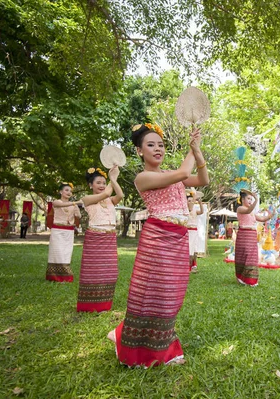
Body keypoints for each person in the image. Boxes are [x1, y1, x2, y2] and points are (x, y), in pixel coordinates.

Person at [108, 122, 209, 367]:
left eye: (161, 145)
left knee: (172, 295)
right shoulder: (143, 178)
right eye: (150, 145)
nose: (158, 149)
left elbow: (203, 179)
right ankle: (145, 349)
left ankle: (134, 337)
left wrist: (197, 151)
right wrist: (190, 147)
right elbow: (185, 174)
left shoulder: (170, 175)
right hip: (157, 240)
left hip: (178, 238)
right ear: (140, 151)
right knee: (155, 295)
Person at [76, 166, 123, 312]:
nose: (102, 185)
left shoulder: (109, 200)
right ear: (90, 185)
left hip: (109, 238)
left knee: (109, 272)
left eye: (104, 182)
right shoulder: (86, 199)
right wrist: (112, 178)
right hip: (95, 238)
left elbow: (120, 195)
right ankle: (90, 305)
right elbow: (107, 192)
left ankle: (104, 304)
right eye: (98, 183)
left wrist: (114, 179)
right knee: (93, 272)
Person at [235, 189, 273, 287]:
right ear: (242, 199)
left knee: (251, 257)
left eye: (251, 199)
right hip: (244, 235)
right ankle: (242, 277)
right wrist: (256, 200)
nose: (250, 201)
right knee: (244, 256)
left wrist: (270, 215)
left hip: (251, 235)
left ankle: (251, 280)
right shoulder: (240, 209)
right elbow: (248, 210)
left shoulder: (252, 213)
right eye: (248, 198)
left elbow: (262, 219)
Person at [46, 183, 82, 282]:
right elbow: (59, 205)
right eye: (66, 190)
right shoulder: (56, 202)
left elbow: (78, 216)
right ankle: (54, 276)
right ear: (61, 192)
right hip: (57, 230)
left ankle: (65, 276)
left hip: (69, 231)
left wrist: (79, 209)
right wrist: (75, 203)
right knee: (57, 252)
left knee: (66, 253)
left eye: (70, 191)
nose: (69, 192)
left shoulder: (73, 205)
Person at [186, 189, 204, 273]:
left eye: (191, 201)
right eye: (188, 201)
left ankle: (193, 265)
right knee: (189, 250)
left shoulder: (195, 210)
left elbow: (201, 211)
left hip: (195, 231)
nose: (190, 202)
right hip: (188, 232)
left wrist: (200, 203)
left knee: (194, 249)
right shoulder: (186, 211)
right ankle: (188, 268)